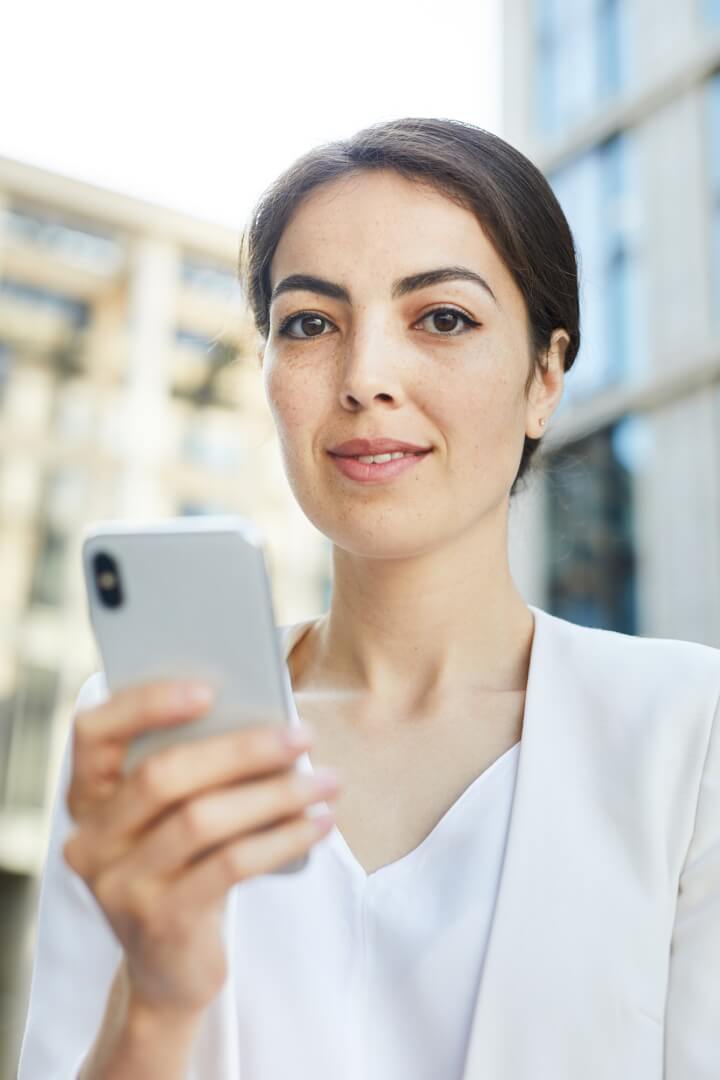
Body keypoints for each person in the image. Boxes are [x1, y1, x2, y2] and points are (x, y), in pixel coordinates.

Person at [17, 117, 720, 1080]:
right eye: (310, 323)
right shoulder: (145, 723)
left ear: (544, 379)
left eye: (442, 318)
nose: (364, 380)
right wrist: (157, 1005)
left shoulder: (691, 733)